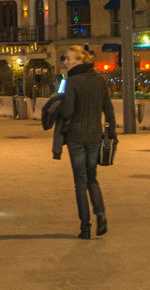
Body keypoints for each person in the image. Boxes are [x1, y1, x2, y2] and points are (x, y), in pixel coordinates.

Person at [52, 45, 114, 240]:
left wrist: (59, 106)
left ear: (80, 61)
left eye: (69, 59)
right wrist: (111, 133)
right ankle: (101, 213)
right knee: (92, 177)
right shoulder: (100, 80)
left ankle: (85, 227)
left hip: (76, 137)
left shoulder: (72, 81)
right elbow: (108, 108)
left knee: (80, 182)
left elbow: (68, 111)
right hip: (95, 136)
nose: (66, 62)